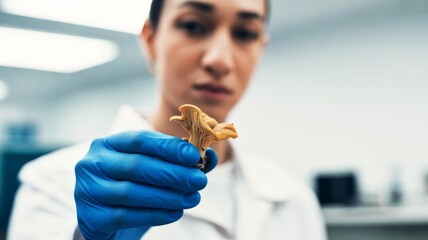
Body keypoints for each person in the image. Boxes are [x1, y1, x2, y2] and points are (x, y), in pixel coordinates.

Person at [7, 0, 326, 239]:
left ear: (261, 49)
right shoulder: (50, 182)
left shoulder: (295, 198)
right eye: (194, 26)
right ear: (150, 39)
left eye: (245, 33)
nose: (219, 59)